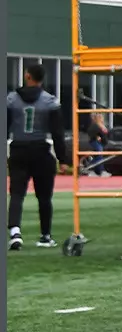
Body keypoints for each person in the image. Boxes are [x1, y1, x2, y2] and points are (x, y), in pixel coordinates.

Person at [8, 64, 68, 250]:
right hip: (40, 150)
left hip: (18, 148)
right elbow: (58, 133)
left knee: (17, 194)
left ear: (27, 76)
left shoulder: (11, 99)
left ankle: (15, 232)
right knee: (44, 196)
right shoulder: (50, 101)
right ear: (42, 79)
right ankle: (45, 235)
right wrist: (62, 158)